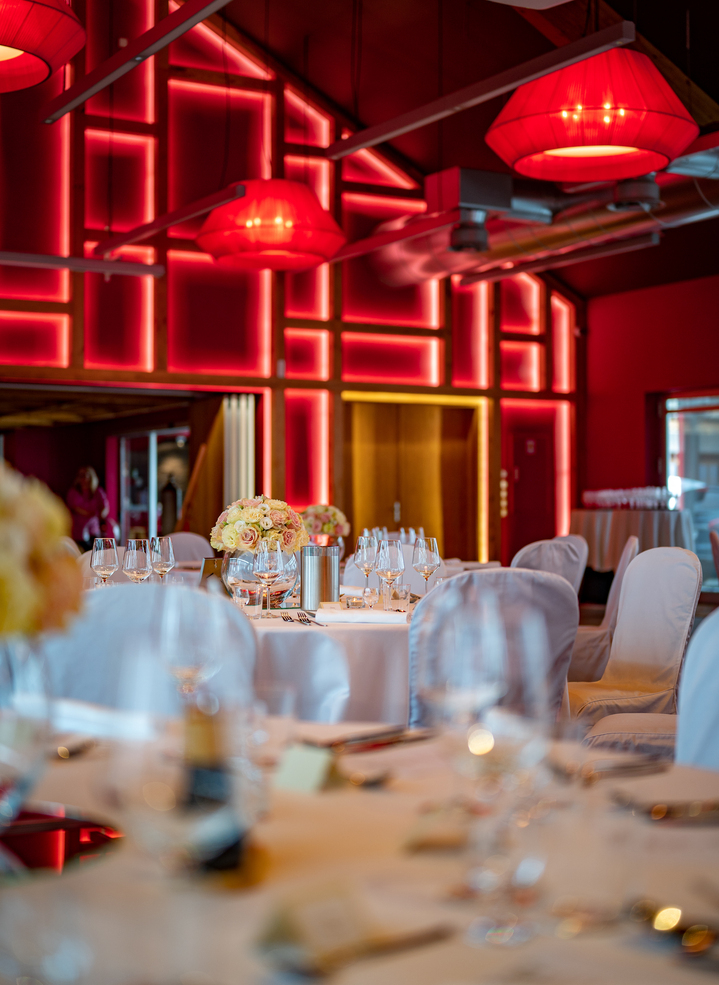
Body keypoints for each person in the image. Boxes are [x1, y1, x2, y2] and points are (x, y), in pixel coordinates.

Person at [66, 467, 113, 550]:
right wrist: (89, 513)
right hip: (77, 530)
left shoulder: (97, 491)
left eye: (85, 476)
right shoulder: (74, 492)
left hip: (93, 529)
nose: (83, 479)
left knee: (95, 553)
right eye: (81, 476)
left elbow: (105, 507)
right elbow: (74, 507)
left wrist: (102, 513)